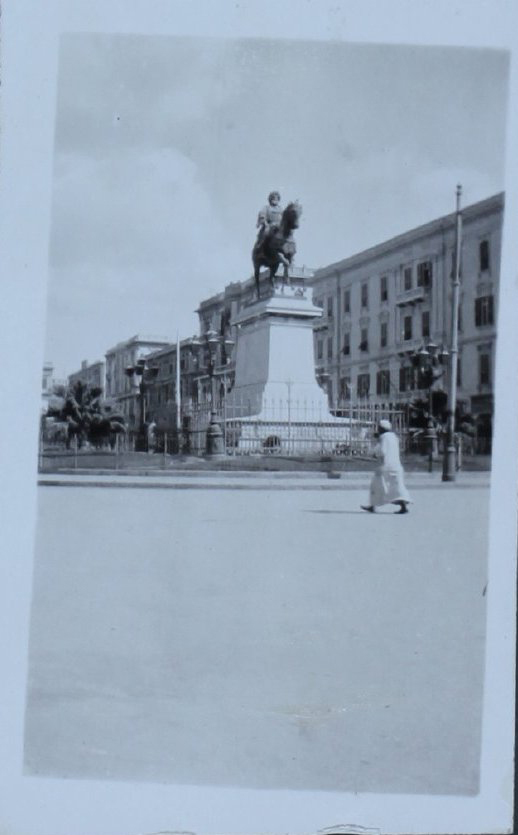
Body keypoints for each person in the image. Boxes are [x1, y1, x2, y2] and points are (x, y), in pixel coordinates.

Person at [361, 419, 412, 514]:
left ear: (381, 428)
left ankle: (373, 506)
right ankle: (403, 506)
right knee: (397, 486)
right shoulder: (394, 437)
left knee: (375, 485)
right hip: (396, 466)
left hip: (386, 466)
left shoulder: (383, 437)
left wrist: (374, 454)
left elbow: (382, 451)